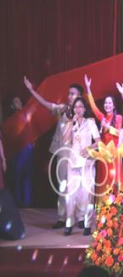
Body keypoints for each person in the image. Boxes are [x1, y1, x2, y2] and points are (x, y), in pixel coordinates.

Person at [23, 76, 83, 229]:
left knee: (77, 187)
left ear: (79, 96)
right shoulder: (62, 109)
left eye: (73, 94)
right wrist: (31, 90)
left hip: (76, 155)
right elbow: (45, 103)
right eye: (69, 93)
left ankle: (80, 217)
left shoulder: (82, 114)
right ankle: (62, 218)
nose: (70, 96)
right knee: (62, 186)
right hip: (62, 153)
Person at [62, 97, 99, 236]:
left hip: (87, 161)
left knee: (87, 194)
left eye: (81, 106)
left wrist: (88, 148)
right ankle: (69, 223)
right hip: (73, 162)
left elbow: (98, 141)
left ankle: (87, 224)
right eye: (76, 107)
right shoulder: (69, 123)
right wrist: (71, 123)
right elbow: (65, 140)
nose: (78, 109)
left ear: (85, 109)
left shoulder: (90, 122)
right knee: (71, 194)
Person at [84, 75, 123, 200]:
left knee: (114, 179)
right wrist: (88, 89)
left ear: (114, 105)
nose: (107, 105)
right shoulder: (102, 117)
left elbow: (120, 134)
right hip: (103, 154)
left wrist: (108, 127)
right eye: (106, 103)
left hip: (114, 155)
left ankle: (116, 205)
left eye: (110, 103)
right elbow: (93, 107)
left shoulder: (118, 118)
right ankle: (103, 206)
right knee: (103, 179)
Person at [4, 94, 33, 207]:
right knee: (18, 175)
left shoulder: (26, 115)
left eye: (19, 101)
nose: (19, 103)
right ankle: (18, 202)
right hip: (18, 150)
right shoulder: (10, 121)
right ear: (12, 106)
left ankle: (27, 202)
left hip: (28, 149)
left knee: (27, 176)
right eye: (16, 102)